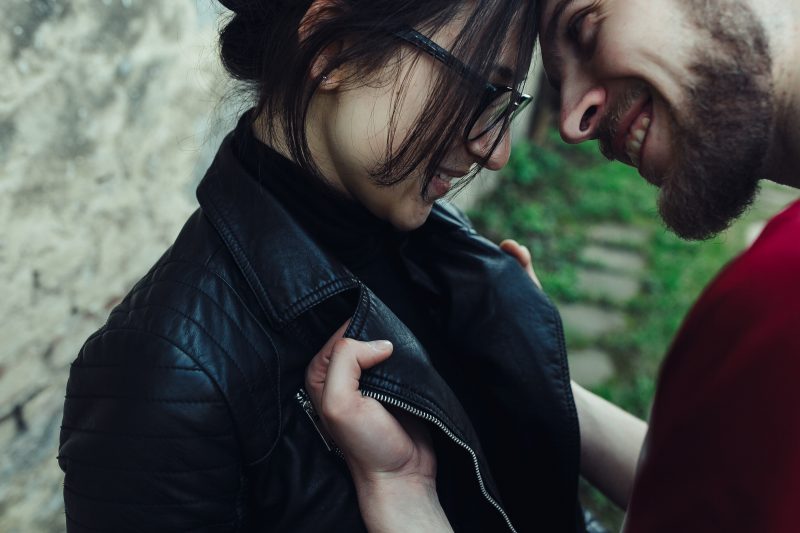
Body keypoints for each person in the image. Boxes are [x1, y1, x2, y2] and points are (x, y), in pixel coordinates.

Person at [56, 0, 605, 531]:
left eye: (506, 105)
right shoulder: (162, 370)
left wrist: (525, 369)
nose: (497, 150)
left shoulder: (443, 255)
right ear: (338, 51)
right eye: (483, 90)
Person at [307, 0, 800, 531]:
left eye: (586, 28)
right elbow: (716, 491)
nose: (572, 124)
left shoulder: (779, 300)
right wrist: (542, 381)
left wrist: (404, 492)